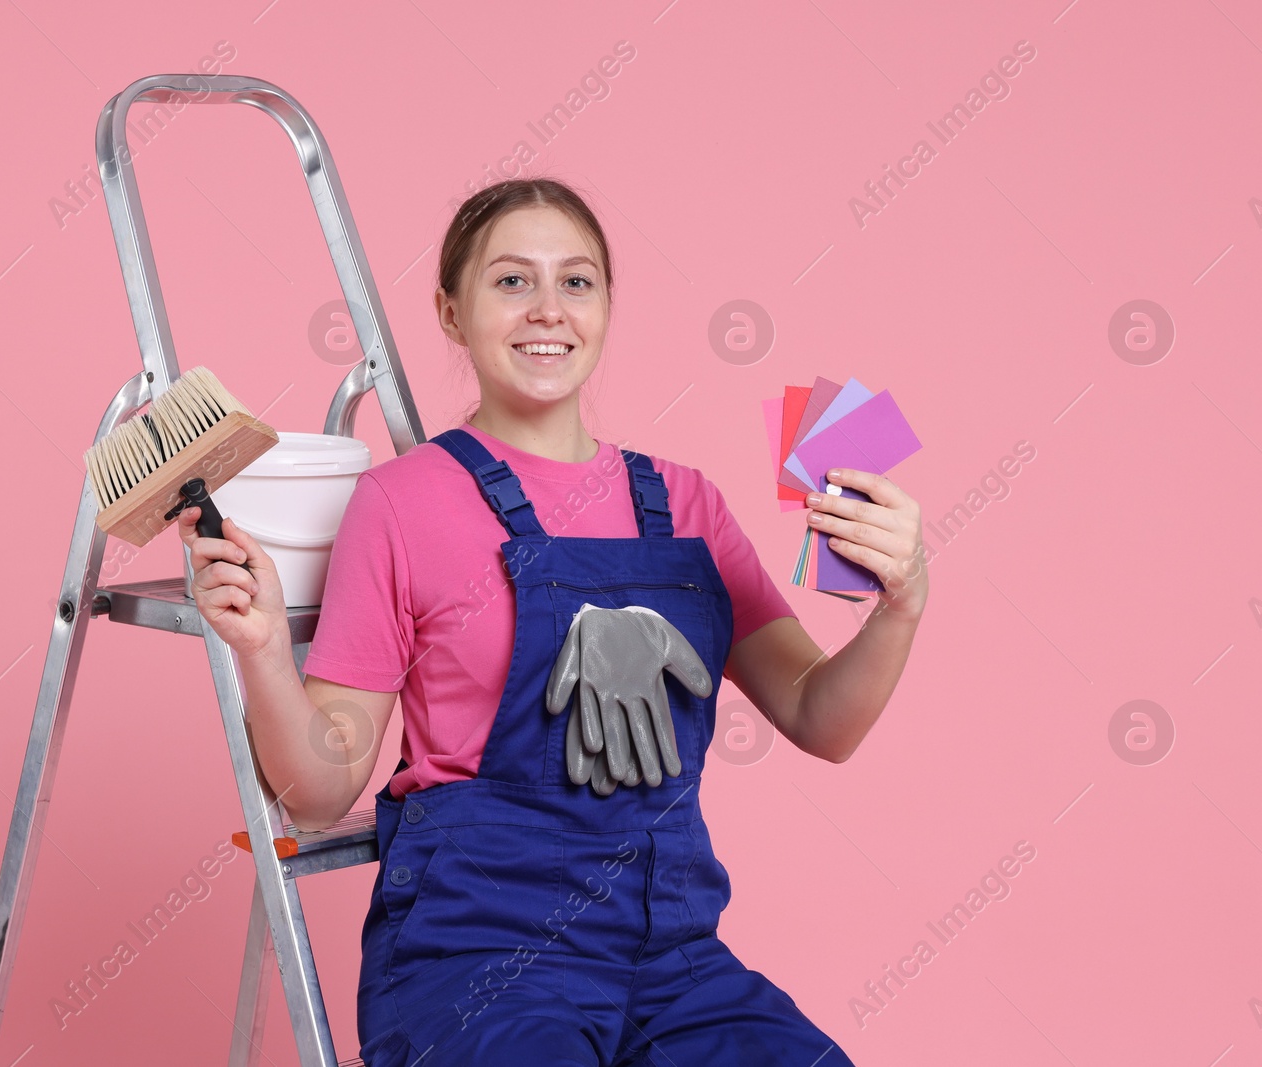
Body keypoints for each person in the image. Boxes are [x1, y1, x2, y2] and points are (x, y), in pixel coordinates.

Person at [176, 178, 928, 1065]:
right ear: (451, 313)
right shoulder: (402, 501)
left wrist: (900, 602)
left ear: (607, 306)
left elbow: (819, 716)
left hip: (672, 956)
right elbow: (323, 784)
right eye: (510, 282)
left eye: (576, 282)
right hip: (479, 955)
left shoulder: (688, 504)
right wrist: (263, 648)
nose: (548, 309)